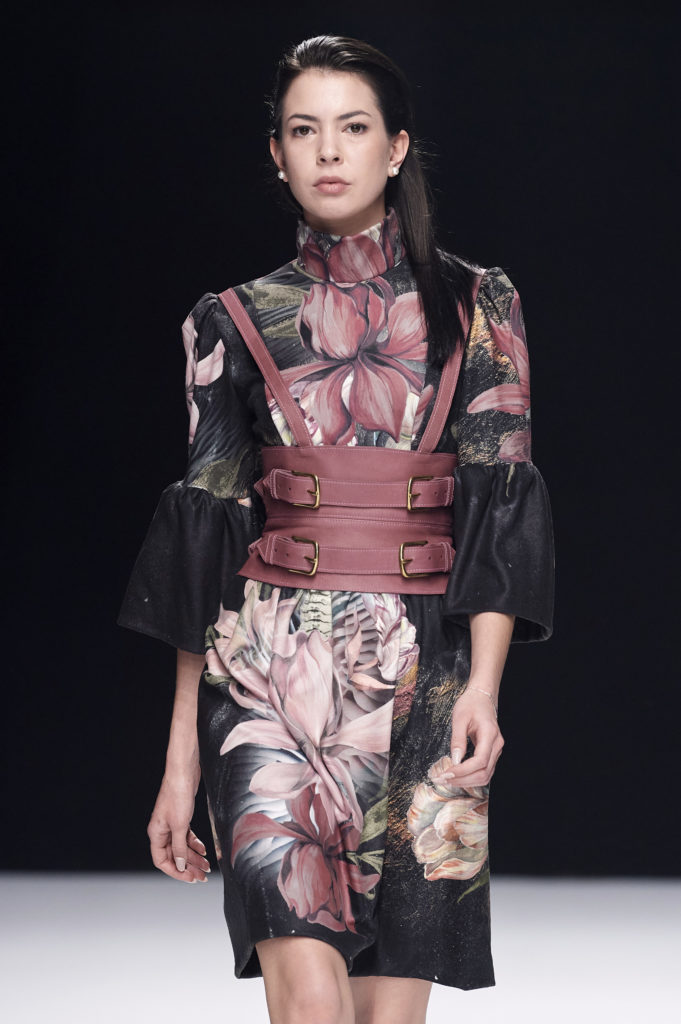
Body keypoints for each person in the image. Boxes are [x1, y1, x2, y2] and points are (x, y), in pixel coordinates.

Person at [117, 33, 554, 1024]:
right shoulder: (231, 320)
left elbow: (500, 499)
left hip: (427, 677)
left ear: (394, 148)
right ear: (276, 154)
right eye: (302, 130)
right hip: (269, 681)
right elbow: (208, 538)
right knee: (311, 1004)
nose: (326, 150)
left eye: (352, 128)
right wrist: (181, 760)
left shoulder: (478, 306)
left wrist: (485, 690)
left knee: (385, 1017)